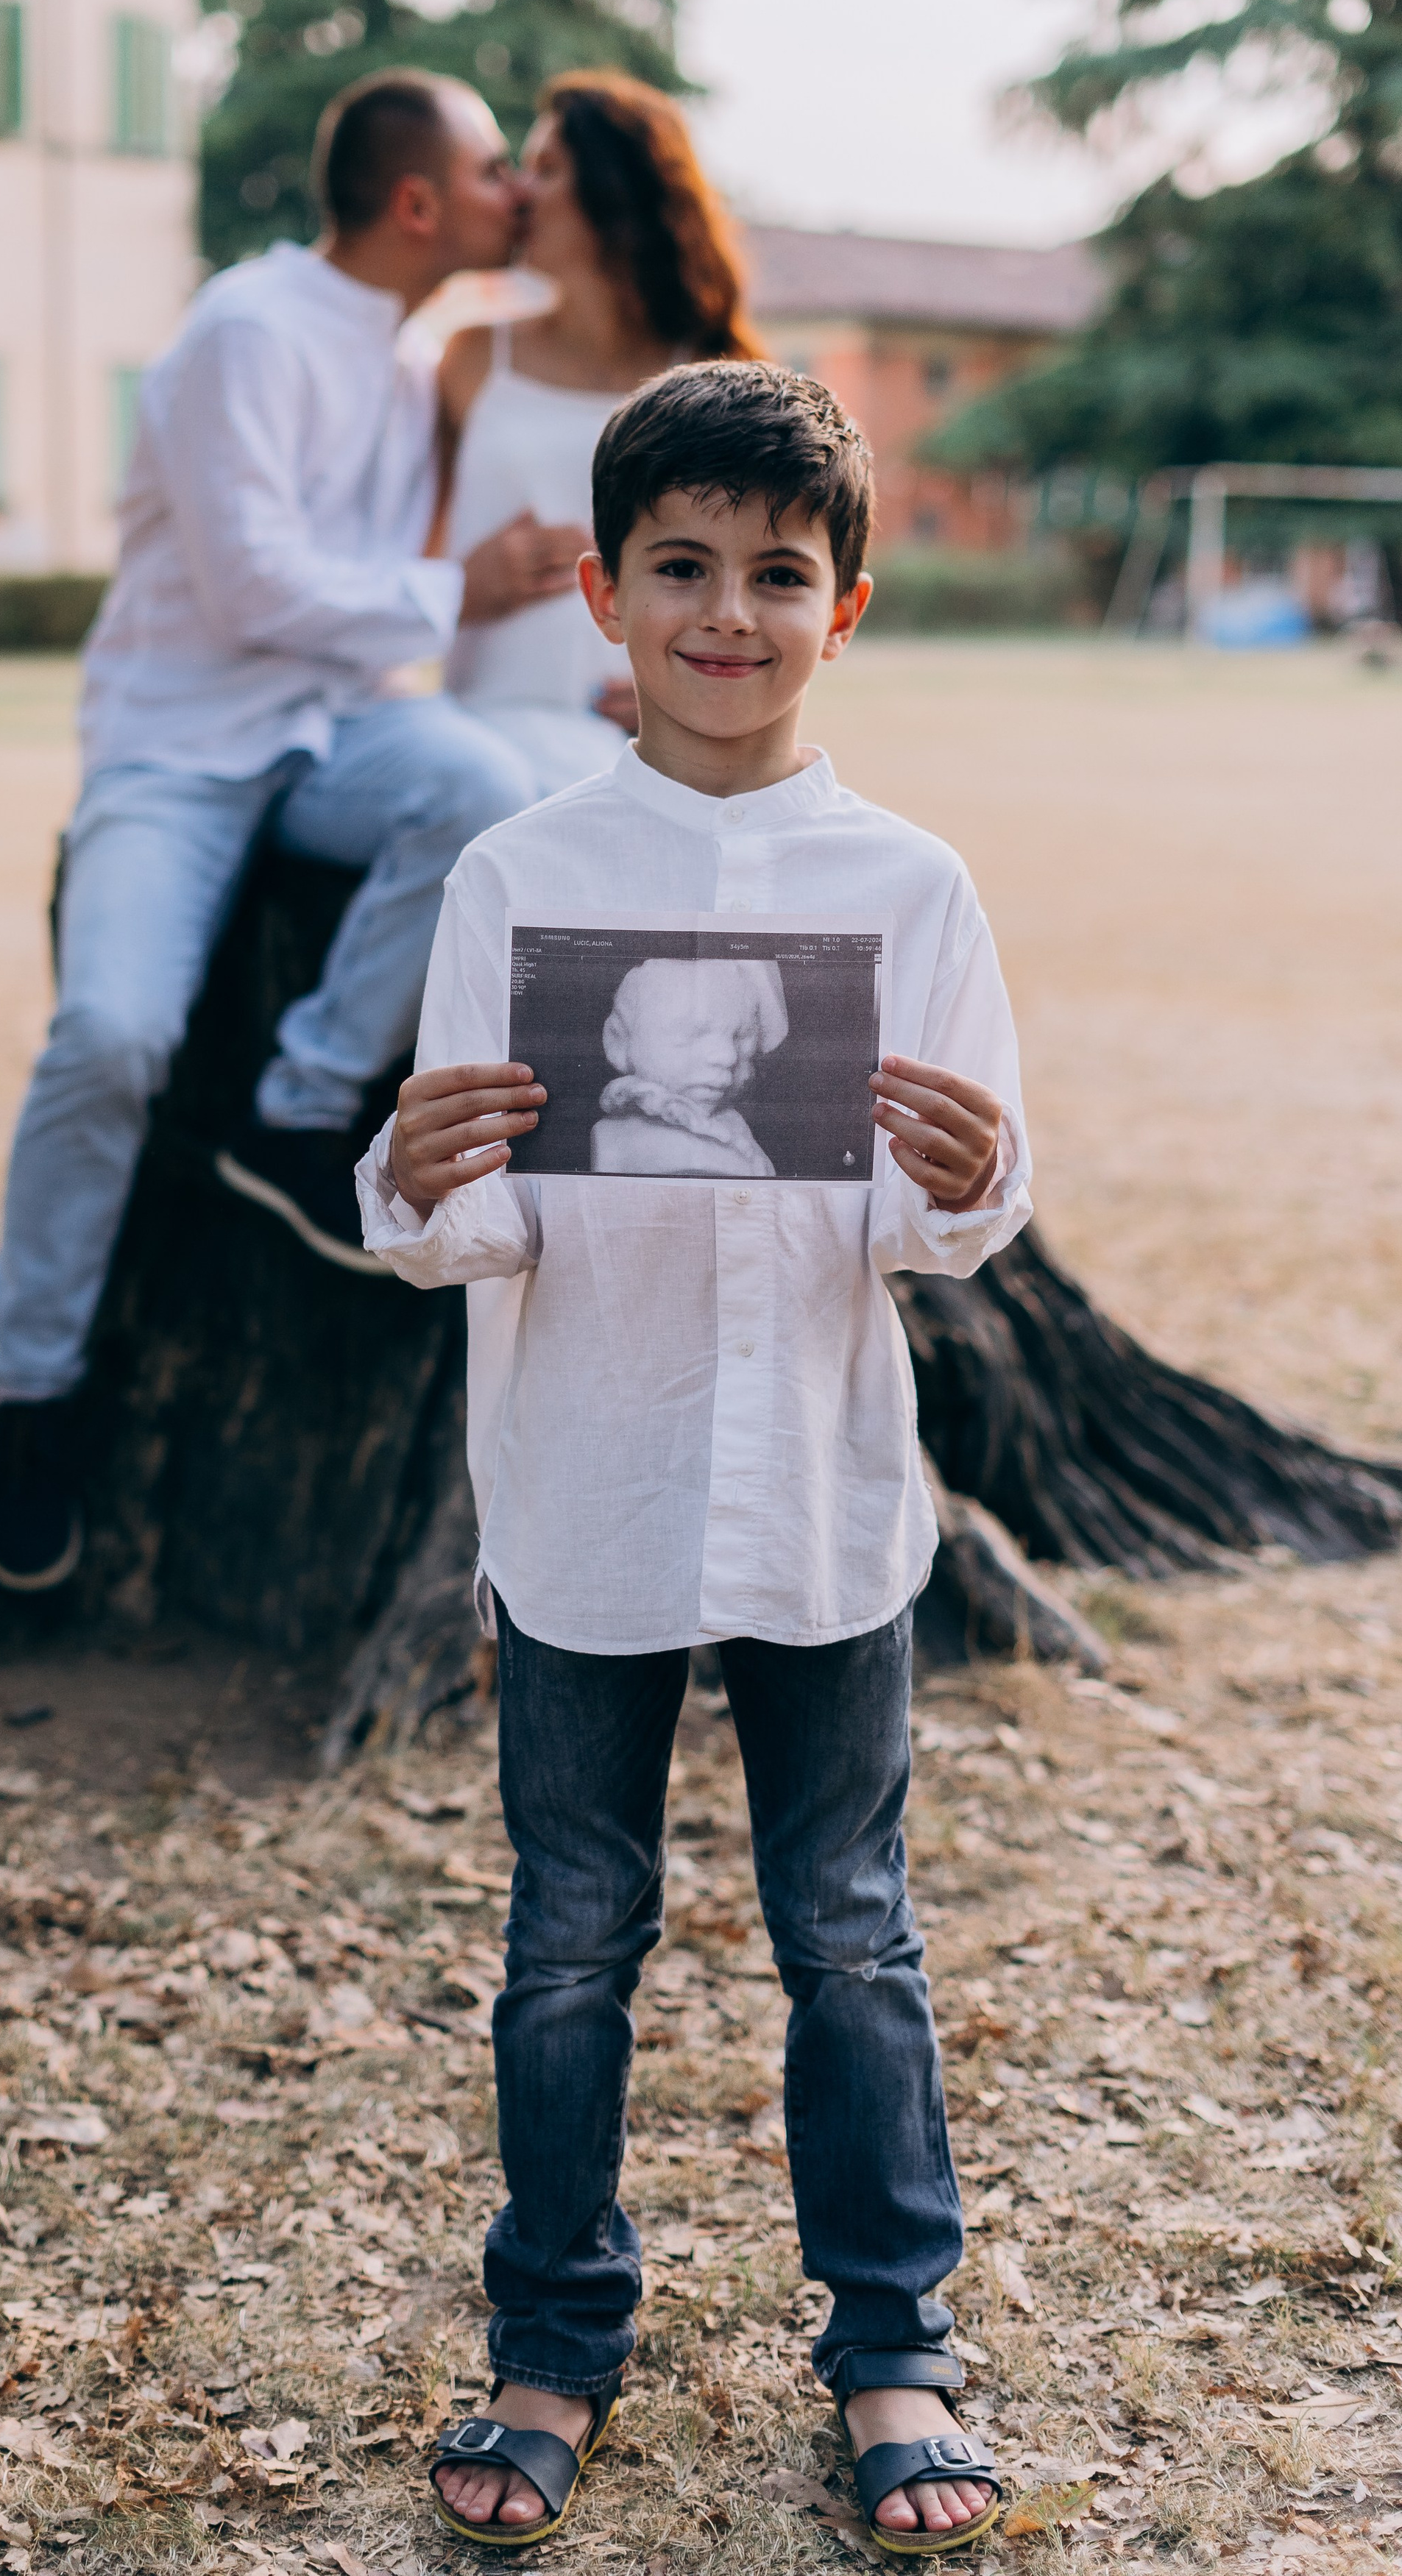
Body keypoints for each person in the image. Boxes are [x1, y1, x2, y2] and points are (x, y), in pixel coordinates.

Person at [358, 361, 1030, 2556]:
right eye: (681, 567)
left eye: (774, 572)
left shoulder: (911, 884)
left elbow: (954, 1215)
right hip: (591, 1482)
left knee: (850, 1935)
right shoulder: (518, 876)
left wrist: (962, 1168)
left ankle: (894, 2343)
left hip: (826, 1492)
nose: (725, 610)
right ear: (599, 593)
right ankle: (550, 2331)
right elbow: (453, 1219)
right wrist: (418, 1160)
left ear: (846, 605)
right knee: (569, 1937)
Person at [0, 68, 589, 1595]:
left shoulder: (404, 353)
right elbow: (253, 589)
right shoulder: (245, 333)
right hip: (177, 749)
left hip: (333, 730)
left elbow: (363, 614)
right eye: (498, 167)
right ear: (416, 203)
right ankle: (30, 1389)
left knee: (482, 795)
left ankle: (300, 1108)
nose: (519, 191)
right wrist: (470, 590)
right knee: (111, 1036)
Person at [436, 70, 765, 796]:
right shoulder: (470, 357)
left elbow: (765, 571)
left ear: (615, 192)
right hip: (479, 731)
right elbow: (400, 547)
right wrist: (463, 585)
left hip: (643, 748)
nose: (520, 191)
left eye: (547, 169)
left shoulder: (717, 375)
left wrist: (702, 697)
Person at [590, 954, 786, 1177]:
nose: (728, 1056)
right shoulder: (616, 1139)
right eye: (694, 1035)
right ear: (618, 1039)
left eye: (739, 1038)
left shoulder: (734, 1124)